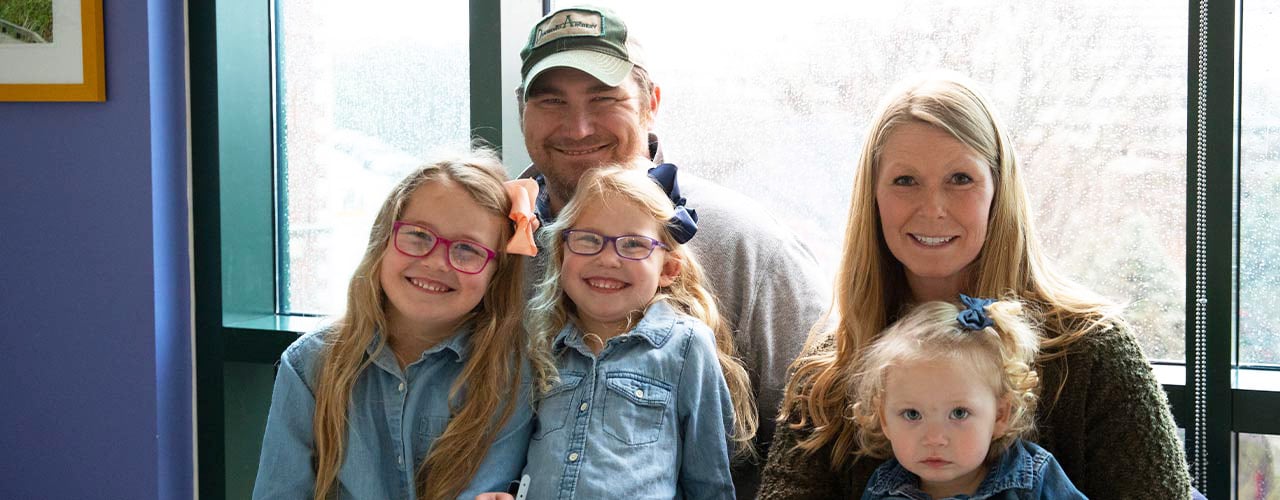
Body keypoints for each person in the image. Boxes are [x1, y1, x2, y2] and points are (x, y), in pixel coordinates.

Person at [757, 75, 1192, 499]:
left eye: (960, 179)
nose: (933, 208)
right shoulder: (826, 375)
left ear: (997, 191)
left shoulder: (1094, 350)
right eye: (905, 180)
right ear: (873, 195)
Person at [515, 7, 829, 494]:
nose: (578, 128)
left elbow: (819, 434)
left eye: (604, 99)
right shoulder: (481, 239)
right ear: (522, 111)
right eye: (551, 101)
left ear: (650, 103)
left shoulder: (744, 245)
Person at [252, 153, 540, 500]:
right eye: (419, 235)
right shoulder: (309, 365)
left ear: (497, 275)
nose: (435, 262)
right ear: (383, 240)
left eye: (467, 250)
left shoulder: (510, 374)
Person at [516, 163, 753, 498]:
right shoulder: (540, 340)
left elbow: (709, 478)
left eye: (632, 245)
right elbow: (508, 450)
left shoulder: (685, 347)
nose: (608, 259)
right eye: (588, 239)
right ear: (561, 254)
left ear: (668, 269)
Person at [854, 296, 1084, 500]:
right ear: (884, 419)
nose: (934, 439)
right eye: (912, 414)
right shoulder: (882, 489)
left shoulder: (1031, 479)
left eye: (959, 413)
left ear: (1000, 415)